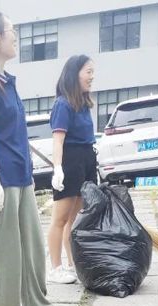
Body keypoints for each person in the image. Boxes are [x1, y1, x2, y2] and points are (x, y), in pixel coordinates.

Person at [0, 12, 68, 306]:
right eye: (11, 31)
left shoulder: (6, 83)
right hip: (1, 182)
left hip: (21, 179)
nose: (15, 37)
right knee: (4, 253)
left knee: (33, 250)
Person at [46, 54, 97, 284]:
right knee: (60, 218)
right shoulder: (62, 104)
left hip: (86, 161)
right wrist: (58, 168)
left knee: (75, 220)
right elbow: (58, 140)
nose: (91, 77)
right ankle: (55, 268)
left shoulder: (83, 104)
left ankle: (72, 263)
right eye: (88, 71)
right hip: (70, 163)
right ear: (74, 74)